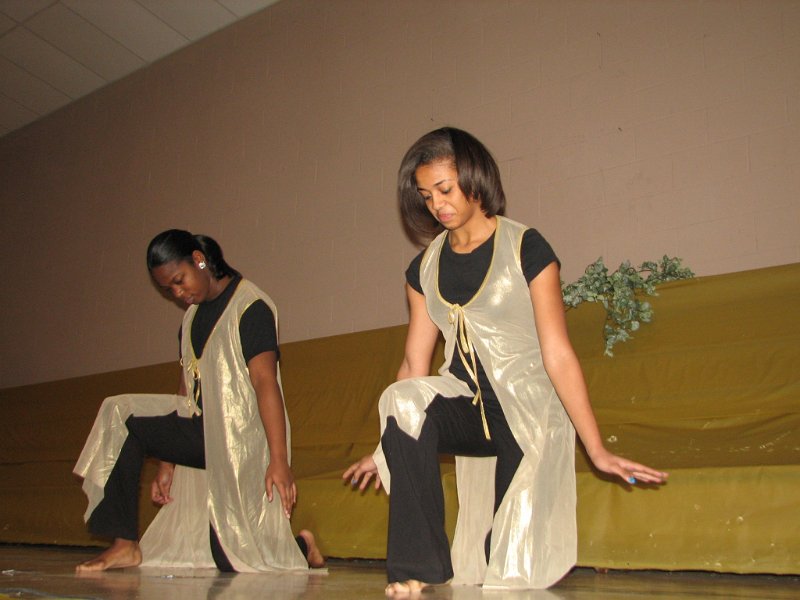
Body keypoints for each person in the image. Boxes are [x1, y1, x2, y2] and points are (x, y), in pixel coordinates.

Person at [344, 127, 668, 595]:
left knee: (507, 566)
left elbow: (557, 353)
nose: (437, 205)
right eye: (426, 195)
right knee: (400, 398)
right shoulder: (423, 269)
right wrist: (387, 446)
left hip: (525, 409)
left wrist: (594, 448)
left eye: (445, 189)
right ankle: (417, 569)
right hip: (466, 406)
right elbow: (414, 365)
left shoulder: (527, 248)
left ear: (475, 180)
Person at [74, 230, 324, 572]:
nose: (178, 294)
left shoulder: (251, 307)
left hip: (241, 442)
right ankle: (124, 543)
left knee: (231, 559)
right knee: (120, 413)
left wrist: (279, 460)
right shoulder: (190, 318)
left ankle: (302, 545)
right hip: (201, 433)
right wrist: (167, 461)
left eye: (180, 281)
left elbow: (265, 382)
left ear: (199, 259)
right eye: (169, 290)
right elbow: (184, 391)